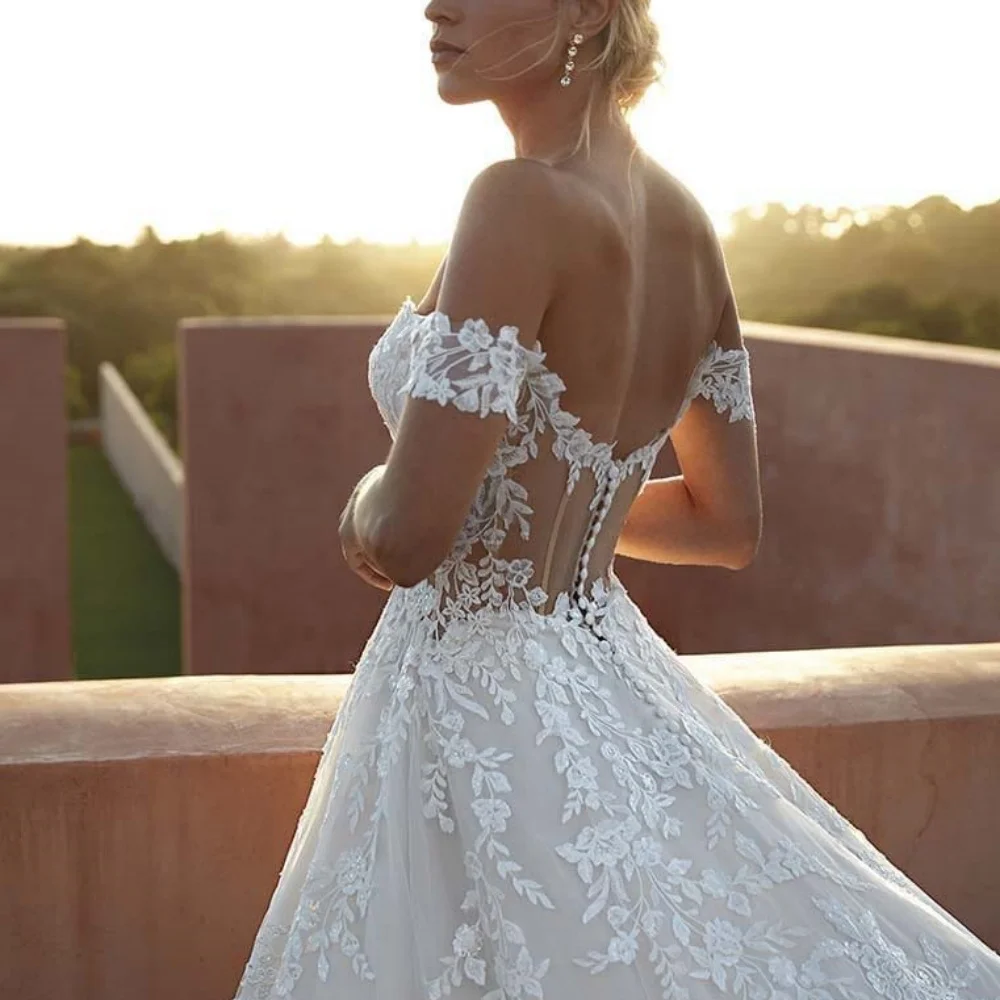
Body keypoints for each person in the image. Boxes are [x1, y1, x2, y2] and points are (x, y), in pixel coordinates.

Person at [233, 2, 1000, 998]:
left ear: (586, 12)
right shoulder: (689, 225)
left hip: (473, 696)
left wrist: (367, 500)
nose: (434, 5)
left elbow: (409, 534)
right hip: (605, 670)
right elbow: (724, 525)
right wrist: (548, 508)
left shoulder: (513, 199)